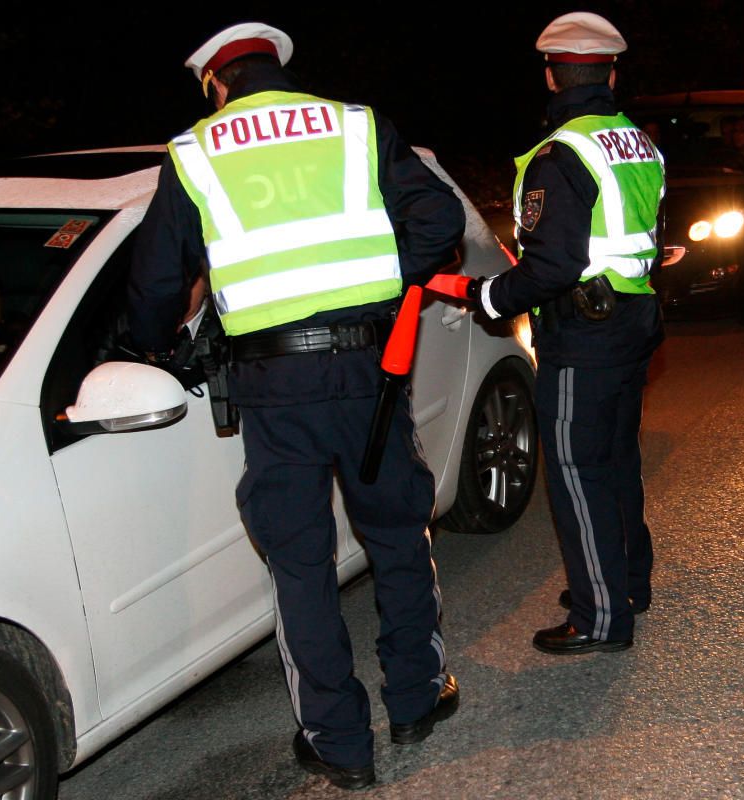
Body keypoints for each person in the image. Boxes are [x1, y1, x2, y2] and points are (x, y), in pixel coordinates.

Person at [127, 22, 465, 790]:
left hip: (275, 388)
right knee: (398, 532)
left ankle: (339, 743)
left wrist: (153, 346)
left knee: (299, 563)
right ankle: (416, 699)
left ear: (214, 81)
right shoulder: (354, 124)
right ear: (278, 67)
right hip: (369, 369)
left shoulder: (194, 152)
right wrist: (383, 284)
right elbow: (439, 221)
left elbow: (153, 283)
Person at [464, 12, 665, 655]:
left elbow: (554, 264)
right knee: (617, 461)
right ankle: (626, 582)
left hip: (584, 333)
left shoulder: (561, 154)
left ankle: (599, 616)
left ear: (551, 75)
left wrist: (492, 296)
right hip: (633, 319)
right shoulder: (636, 140)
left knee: (578, 471)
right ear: (613, 71)